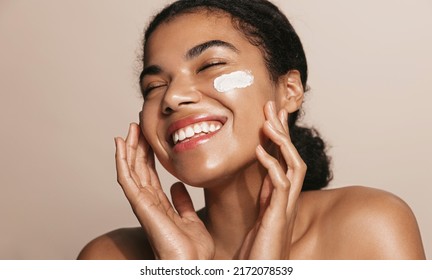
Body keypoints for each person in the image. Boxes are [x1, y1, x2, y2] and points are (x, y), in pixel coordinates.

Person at [78, 0, 425, 259]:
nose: (173, 96)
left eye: (211, 64)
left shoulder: (367, 228)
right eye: (154, 85)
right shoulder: (110, 258)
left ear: (289, 90)